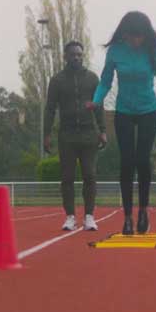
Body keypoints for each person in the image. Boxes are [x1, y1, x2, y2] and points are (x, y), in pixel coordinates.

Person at [91, 11, 156, 235]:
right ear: (124, 33)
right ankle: (127, 216)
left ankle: (143, 211)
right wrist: (96, 101)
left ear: (145, 35)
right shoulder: (115, 51)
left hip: (148, 110)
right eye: (131, 36)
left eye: (138, 37)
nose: (135, 41)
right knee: (127, 161)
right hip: (124, 111)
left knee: (142, 160)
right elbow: (106, 80)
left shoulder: (153, 51)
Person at [44, 41, 107, 231]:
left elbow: (99, 106)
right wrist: (46, 134)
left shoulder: (92, 79)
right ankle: (70, 217)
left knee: (90, 175)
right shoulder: (57, 81)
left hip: (89, 134)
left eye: (79, 55)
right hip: (67, 135)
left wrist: (103, 130)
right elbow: (49, 109)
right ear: (66, 57)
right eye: (73, 55)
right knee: (67, 177)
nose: (76, 58)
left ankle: (89, 216)